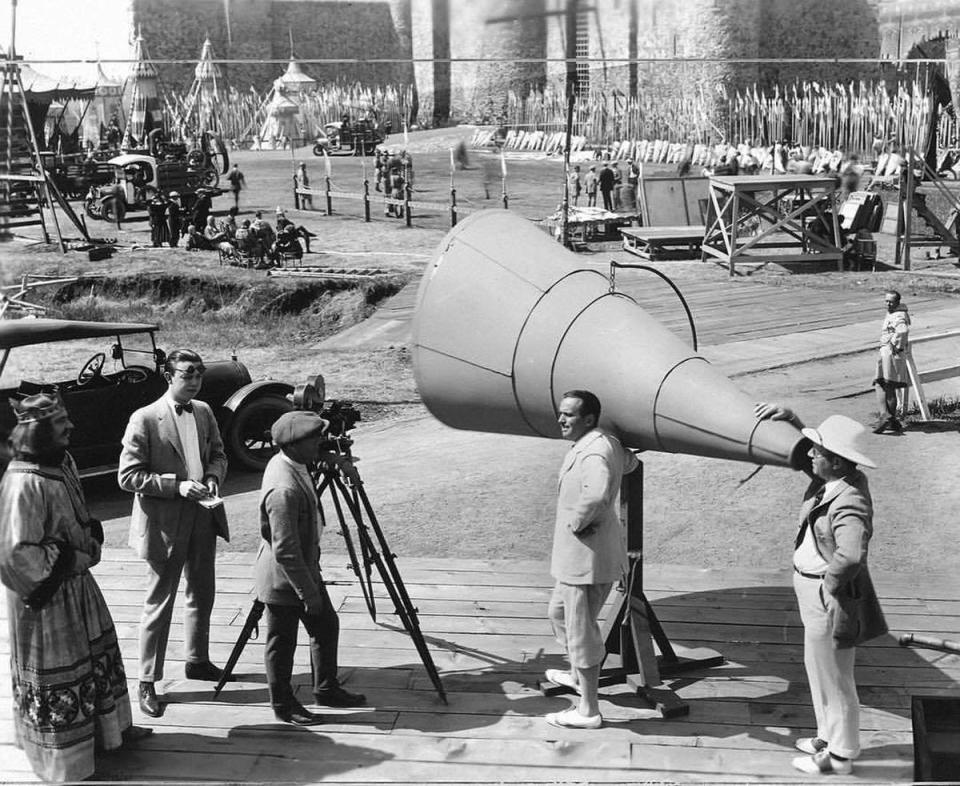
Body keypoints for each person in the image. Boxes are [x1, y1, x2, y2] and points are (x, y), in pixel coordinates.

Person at [0, 393, 151, 782]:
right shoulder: (22, 482)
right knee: (59, 671)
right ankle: (67, 760)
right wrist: (71, 558)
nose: (71, 427)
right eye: (61, 422)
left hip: (78, 588)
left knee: (97, 657)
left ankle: (110, 735)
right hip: (46, 602)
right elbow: (14, 555)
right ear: (39, 430)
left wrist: (88, 538)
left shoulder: (62, 461)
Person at [755, 404, 887, 776]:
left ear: (839, 462)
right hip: (811, 588)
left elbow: (850, 555)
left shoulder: (848, 500)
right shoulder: (833, 480)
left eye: (819, 451)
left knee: (836, 675)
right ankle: (826, 737)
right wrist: (794, 419)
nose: (811, 454)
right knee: (818, 667)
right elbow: (804, 458)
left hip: (826, 595)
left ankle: (841, 756)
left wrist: (827, 587)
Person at [118, 349, 231, 719]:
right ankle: (147, 680)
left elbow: (218, 453)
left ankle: (197, 660)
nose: (195, 379)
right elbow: (128, 476)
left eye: (199, 372)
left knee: (202, 590)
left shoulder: (204, 411)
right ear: (169, 376)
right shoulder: (145, 418)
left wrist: (213, 477)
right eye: (187, 373)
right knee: (160, 601)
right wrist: (177, 486)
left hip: (203, 515)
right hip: (165, 522)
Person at [256, 411, 367, 724]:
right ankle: (283, 705)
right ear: (294, 445)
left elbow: (313, 461)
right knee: (282, 642)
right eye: (314, 439)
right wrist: (309, 593)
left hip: (303, 567)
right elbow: (286, 551)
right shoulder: (284, 490)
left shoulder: (293, 461)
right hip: (285, 577)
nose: (321, 443)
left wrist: (338, 462)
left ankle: (326, 688)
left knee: (325, 626)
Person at [542, 390, 638, 730]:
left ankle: (588, 710)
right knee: (558, 614)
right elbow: (629, 462)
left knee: (581, 631)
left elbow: (596, 494)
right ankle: (578, 675)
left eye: (568, 415)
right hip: (581, 557)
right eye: (560, 413)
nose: (561, 419)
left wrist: (577, 521)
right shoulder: (605, 442)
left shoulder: (594, 450)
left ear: (588, 419)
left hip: (587, 558)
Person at [872, 290, 911, 434]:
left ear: (898, 302)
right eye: (886, 301)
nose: (888, 304)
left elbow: (902, 331)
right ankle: (892, 420)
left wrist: (894, 345)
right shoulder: (894, 312)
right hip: (888, 352)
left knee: (882, 384)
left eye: (891, 301)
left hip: (890, 352)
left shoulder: (898, 315)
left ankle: (885, 415)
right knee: (888, 386)